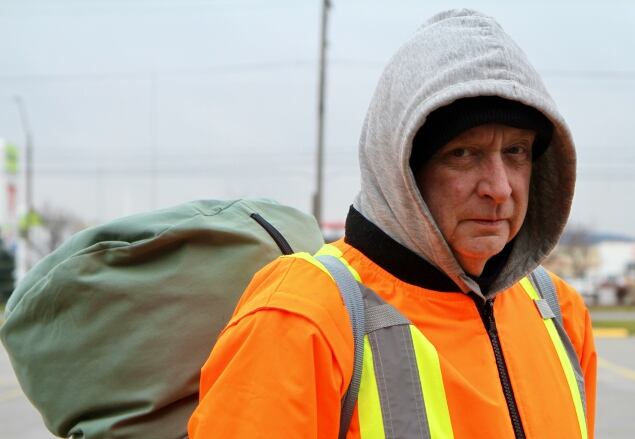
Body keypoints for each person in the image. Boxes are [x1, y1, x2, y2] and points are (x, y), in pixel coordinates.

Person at [189, 9, 596, 439]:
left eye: (516, 152)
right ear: (402, 171)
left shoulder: (559, 312)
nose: (498, 188)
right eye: (463, 153)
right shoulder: (302, 316)